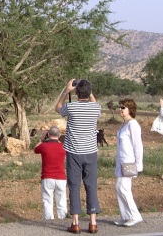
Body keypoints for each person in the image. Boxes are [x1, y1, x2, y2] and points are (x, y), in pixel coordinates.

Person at [55, 79, 100, 234]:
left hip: (74, 153)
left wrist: (66, 91)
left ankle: (76, 223)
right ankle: (93, 223)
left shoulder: (71, 107)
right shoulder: (96, 108)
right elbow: (93, 102)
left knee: (74, 186)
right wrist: (88, 91)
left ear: (76, 92)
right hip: (91, 153)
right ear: (89, 93)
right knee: (91, 185)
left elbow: (58, 108)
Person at [114, 99, 144, 227]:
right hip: (121, 161)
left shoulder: (133, 125)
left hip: (129, 162)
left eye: (123, 107)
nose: (120, 109)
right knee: (119, 188)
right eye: (120, 107)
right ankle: (126, 216)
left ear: (130, 110)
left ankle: (134, 216)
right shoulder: (124, 125)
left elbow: (138, 146)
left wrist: (138, 164)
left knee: (123, 187)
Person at [34, 125, 67, 220]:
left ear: (48, 134)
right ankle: (63, 219)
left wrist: (42, 139)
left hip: (47, 177)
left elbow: (35, 149)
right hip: (61, 177)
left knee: (48, 201)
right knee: (61, 201)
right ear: (59, 135)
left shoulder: (44, 146)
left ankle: (48, 220)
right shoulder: (63, 147)